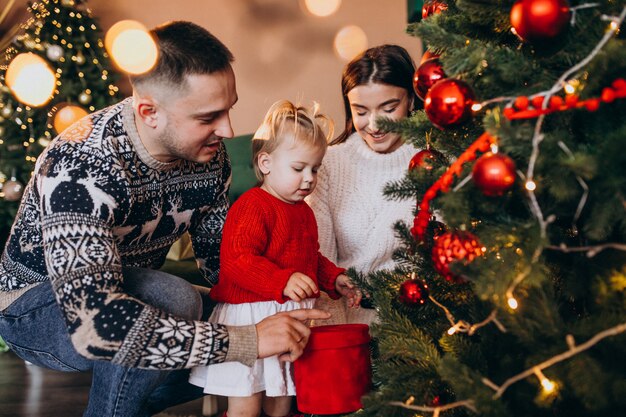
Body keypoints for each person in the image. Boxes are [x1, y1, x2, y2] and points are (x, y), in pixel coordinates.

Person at [0, 21, 329, 417]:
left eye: (229, 109)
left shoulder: (209, 158)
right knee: (176, 299)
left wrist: (279, 303)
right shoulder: (80, 164)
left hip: (134, 292)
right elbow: (96, 324)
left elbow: (223, 266)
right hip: (36, 308)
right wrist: (247, 340)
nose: (227, 130)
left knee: (238, 312)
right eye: (208, 117)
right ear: (149, 112)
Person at [188, 100, 361, 417]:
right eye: (298, 168)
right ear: (265, 163)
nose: (309, 178)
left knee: (282, 399)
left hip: (289, 321)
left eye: (315, 169)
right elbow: (238, 261)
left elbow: (310, 257)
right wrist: (282, 280)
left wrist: (333, 278)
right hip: (252, 319)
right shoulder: (253, 206)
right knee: (248, 401)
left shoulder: (303, 211)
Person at [306, 44, 419, 326]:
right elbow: (320, 261)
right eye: (361, 111)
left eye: (388, 108)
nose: (374, 125)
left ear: (412, 101)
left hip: (422, 323)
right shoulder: (329, 164)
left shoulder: (435, 160)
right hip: (349, 323)